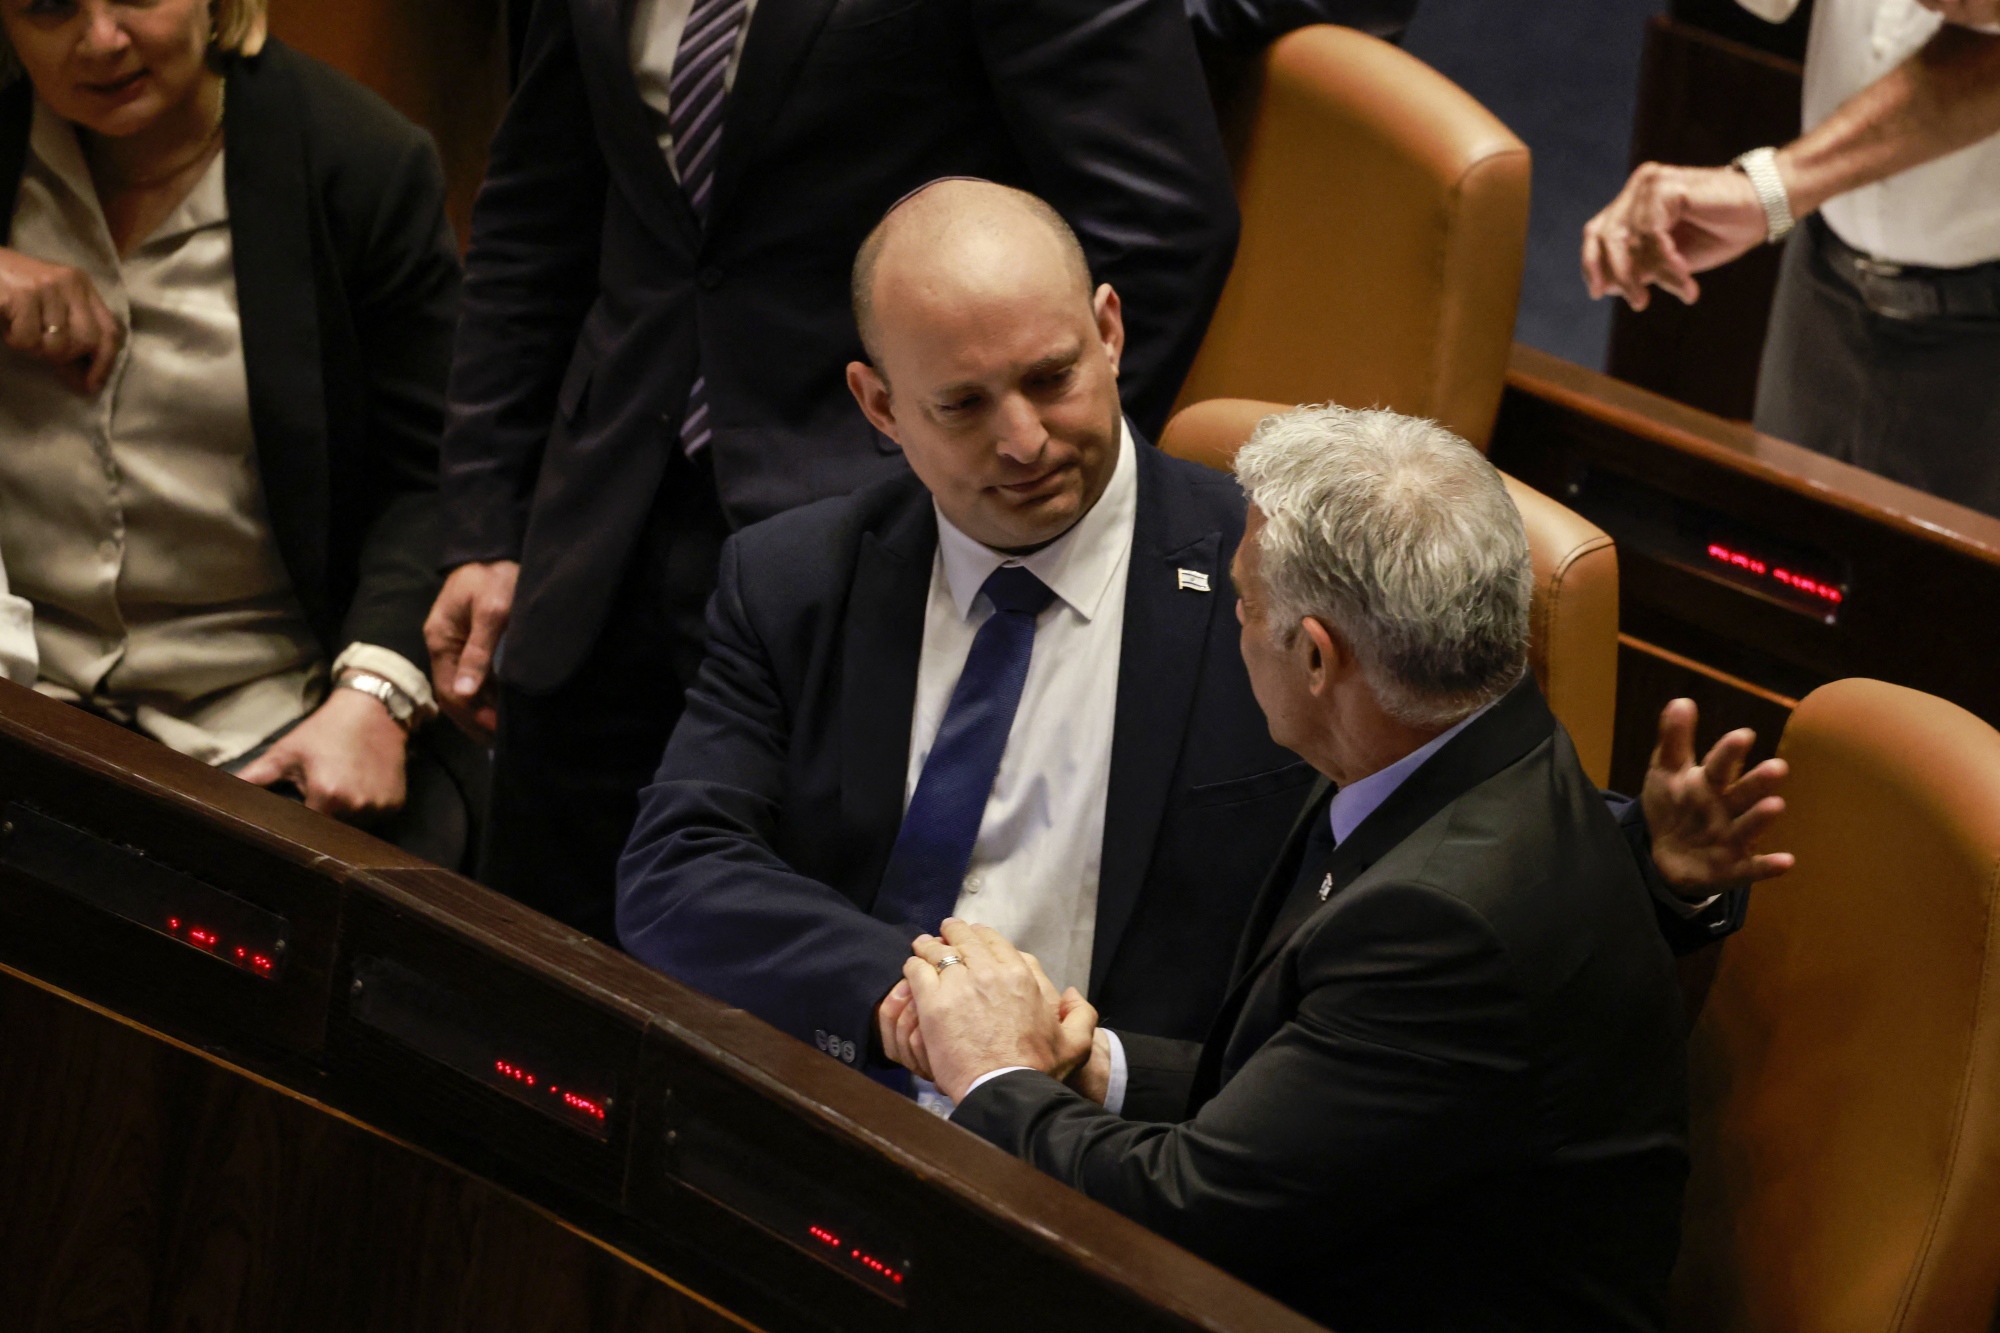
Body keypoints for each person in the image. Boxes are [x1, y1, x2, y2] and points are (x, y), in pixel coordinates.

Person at [619, 180, 1788, 1113]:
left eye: (1050, 377)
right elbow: (677, 873)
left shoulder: (1275, 580)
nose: (1023, 439)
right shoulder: (795, 576)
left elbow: (1475, 835)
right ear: (879, 406)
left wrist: (1658, 866)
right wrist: (914, 1008)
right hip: (827, 1110)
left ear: (1110, 332)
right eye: (962, 405)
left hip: (1125, 1160)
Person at [425, 0, 1243, 940]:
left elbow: (1163, 220)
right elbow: (542, 203)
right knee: (534, 995)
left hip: (878, 553)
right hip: (602, 519)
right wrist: (487, 516)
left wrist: (990, 483)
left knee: (802, 994)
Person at [892, 405, 1697, 1331]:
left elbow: (1187, 1212)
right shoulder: (1463, 748)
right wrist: (1089, 1066)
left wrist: (993, 1072)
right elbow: (1314, 1095)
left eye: (1243, 605)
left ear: (1317, 656)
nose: (1233, 624)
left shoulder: (1444, 922)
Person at [0, 0, 478, 865]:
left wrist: (374, 692)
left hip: (261, 720)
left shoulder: (358, 161)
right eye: (49, 6)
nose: (102, 39)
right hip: (18, 691)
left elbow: (433, 475)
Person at [1582, 0, 2000, 516]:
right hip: (1823, 276)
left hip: (1983, 330)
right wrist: (1777, 192)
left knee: (1955, 591)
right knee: (1778, 552)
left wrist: (1777, 187)